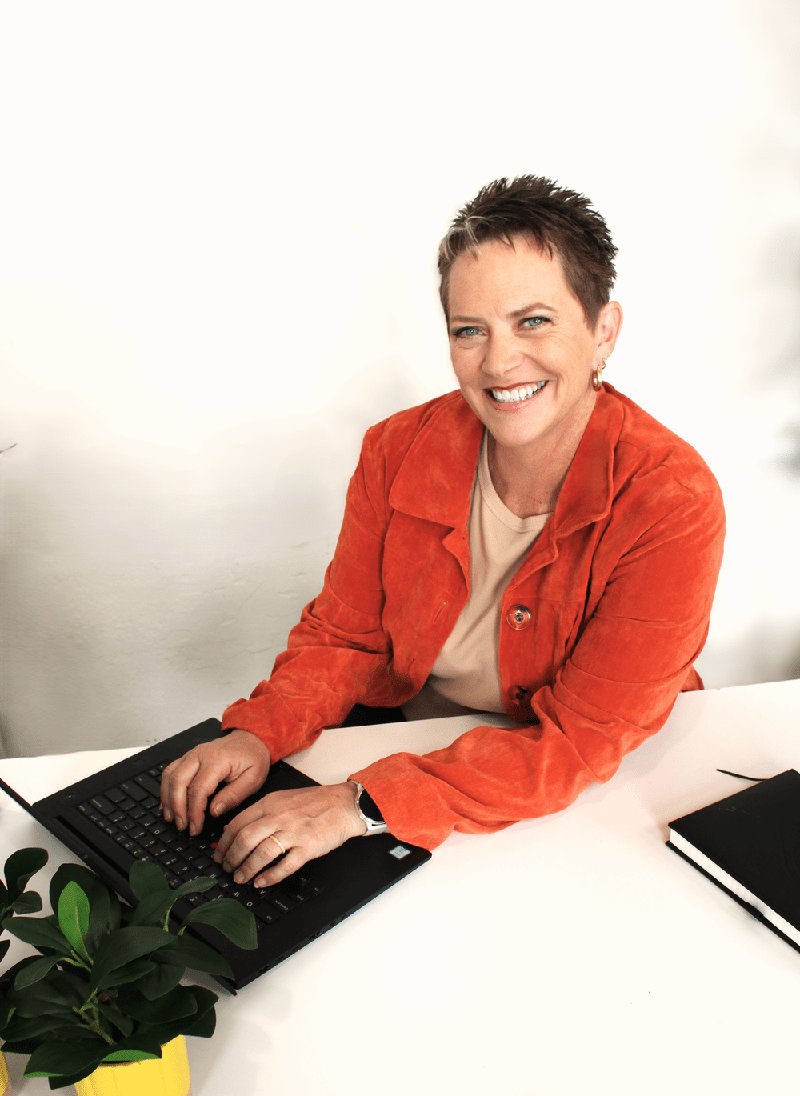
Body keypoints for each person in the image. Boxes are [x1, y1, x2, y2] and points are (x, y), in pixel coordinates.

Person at [160, 175, 725, 891]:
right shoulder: (396, 451)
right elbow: (345, 636)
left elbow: (580, 742)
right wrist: (256, 733)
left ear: (603, 330)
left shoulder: (672, 501)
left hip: (580, 783)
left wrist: (359, 803)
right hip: (411, 738)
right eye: (470, 331)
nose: (497, 363)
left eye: (534, 321)